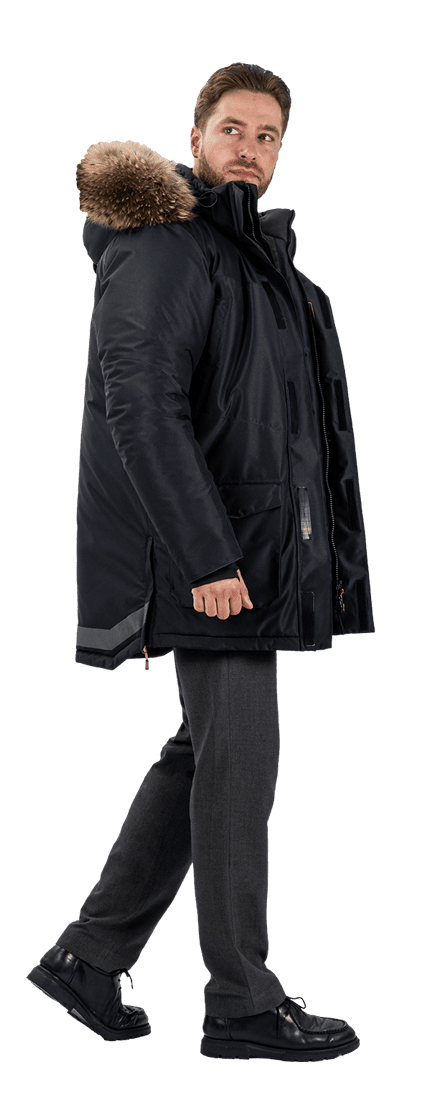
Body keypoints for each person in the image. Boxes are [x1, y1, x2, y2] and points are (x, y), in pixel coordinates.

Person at [26, 62, 374, 1061]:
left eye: (268, 136)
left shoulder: (258, 264)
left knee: (207, 754)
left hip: (250, 559)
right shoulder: (166, 245)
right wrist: (207, 558)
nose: (250, 150)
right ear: (195, 137)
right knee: (238, 766)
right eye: (232, 129)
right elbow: (140, 409)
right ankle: (242, 1002)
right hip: (209, 562)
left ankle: (89, 955)